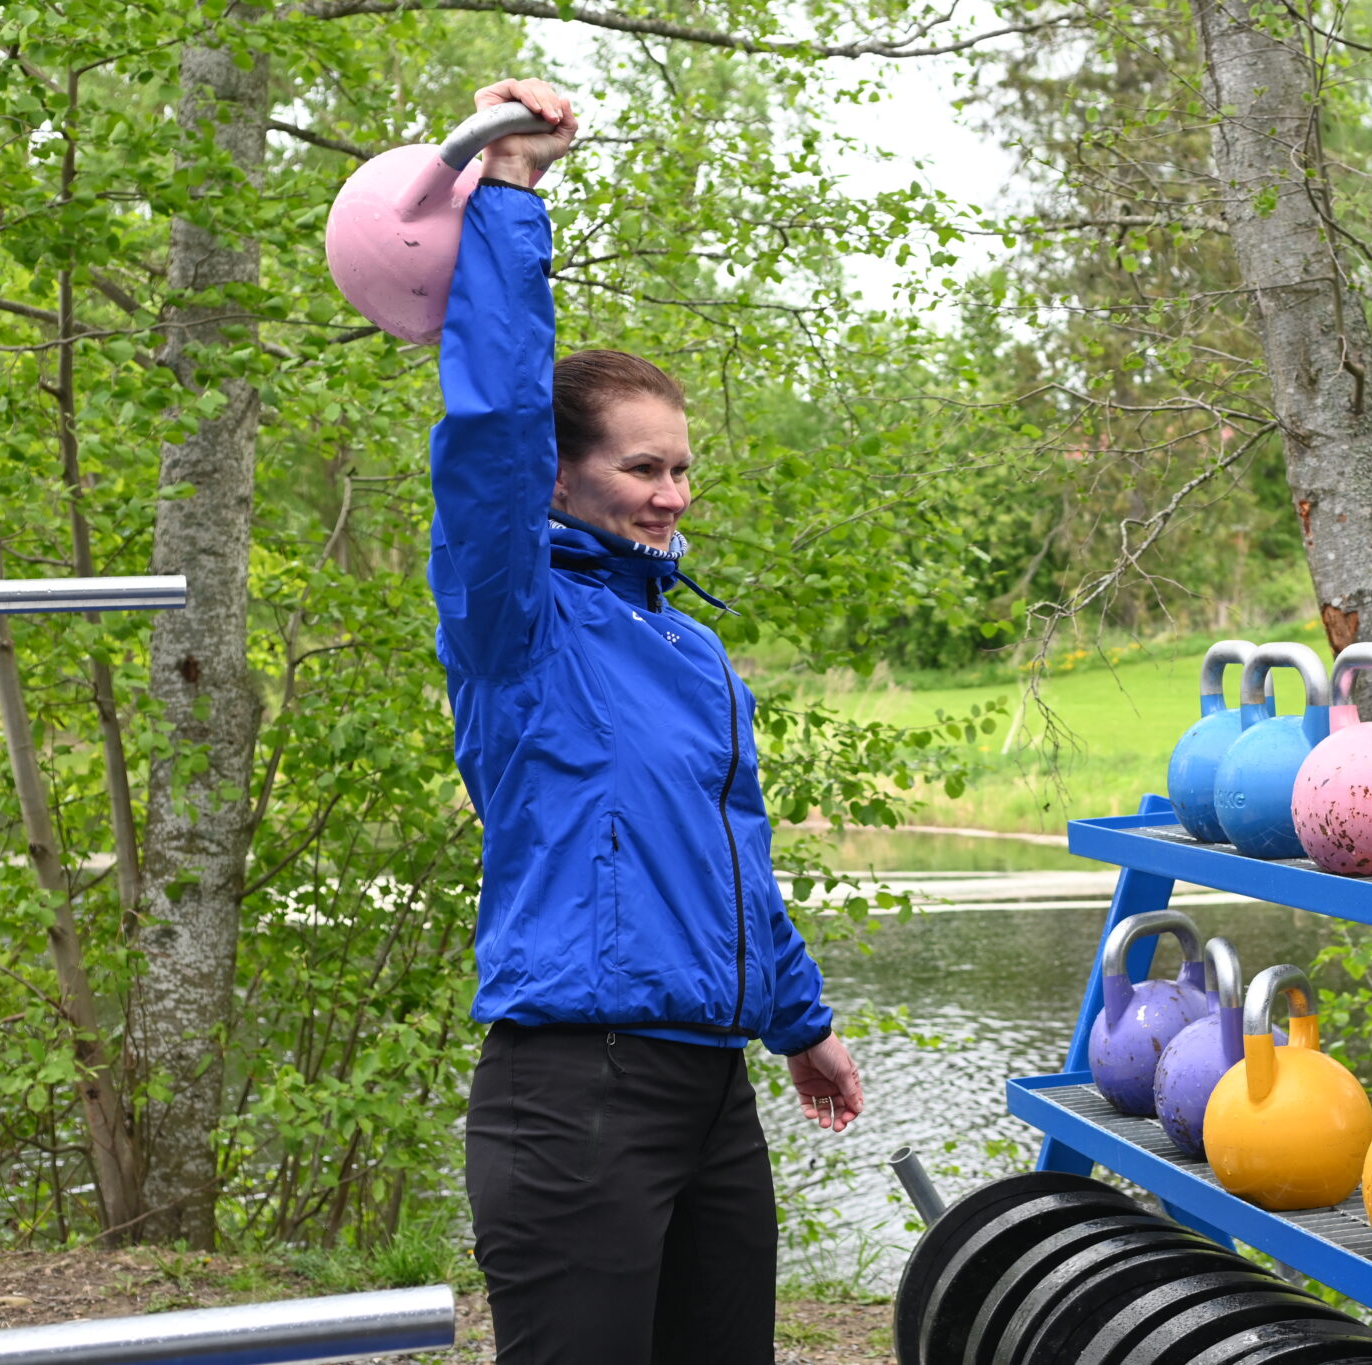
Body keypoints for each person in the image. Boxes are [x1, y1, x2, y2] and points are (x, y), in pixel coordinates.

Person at [430, 76, 864, 1364]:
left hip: (706, 1090)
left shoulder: (690, 648)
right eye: (640, 466)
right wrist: (511, 198)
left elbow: (731, 855)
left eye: (682, 467)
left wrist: (802, 1023)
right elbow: (491, 424)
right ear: (562, 477)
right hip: (574, 1096)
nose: (671, 494)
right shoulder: (518, 623)